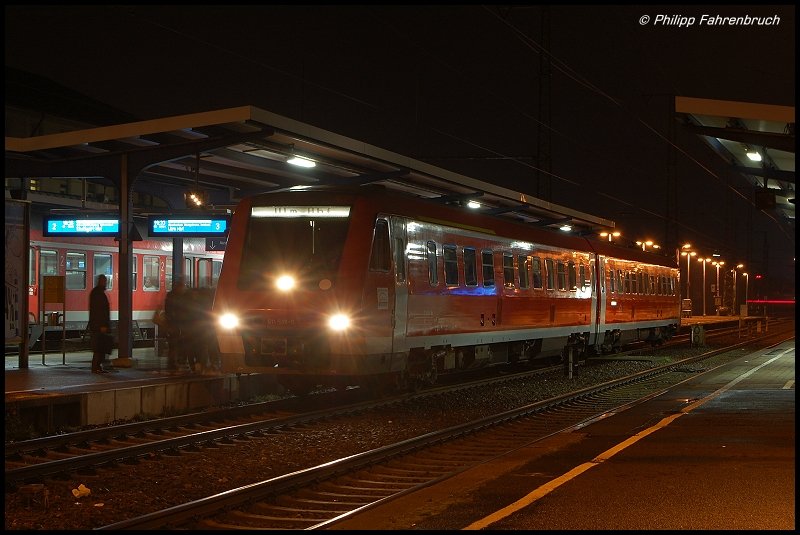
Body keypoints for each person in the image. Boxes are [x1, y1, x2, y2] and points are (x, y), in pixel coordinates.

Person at [88, 274, 111, 373]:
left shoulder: (97, 292)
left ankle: (97, 367)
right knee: (99, 348)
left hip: (98, 324)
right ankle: (96, 367)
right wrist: (102, 325)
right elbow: (99, 311)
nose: (105, 283)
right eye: (104, 281)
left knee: (100, 347)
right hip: (99, 325)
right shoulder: (98, 293)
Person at [164, 277, 188, 370]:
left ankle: (173, 363)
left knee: (173, 345)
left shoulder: (170, 296)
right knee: (176, 344)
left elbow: (168, 310)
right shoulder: (179, 297)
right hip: (177, 324)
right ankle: (176, 362)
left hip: (173, 324)